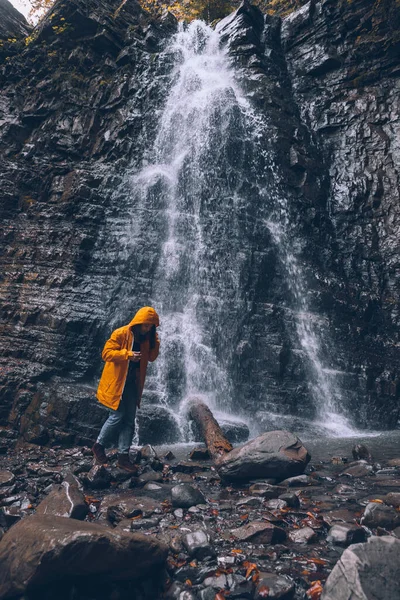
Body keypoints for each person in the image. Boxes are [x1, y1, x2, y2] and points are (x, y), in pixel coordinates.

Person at [91, 306, 160, 472]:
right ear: (138, 322)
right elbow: (106, 353)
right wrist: (127, 354)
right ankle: (98, 446)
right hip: (116, 384)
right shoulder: (120, 333)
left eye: (151, 326)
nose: (147, 328)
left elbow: (151, 357)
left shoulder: (146, 339)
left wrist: (155, 341)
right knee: (117, 415)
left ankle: (123, 457)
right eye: (146, 325)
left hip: (132, 384)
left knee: (129, 420)